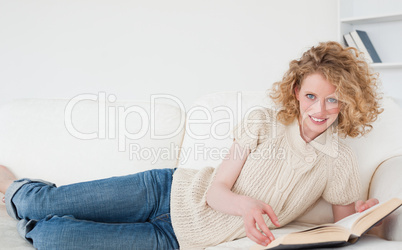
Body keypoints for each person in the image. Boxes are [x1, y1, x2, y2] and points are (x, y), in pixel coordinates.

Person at [0, 41, 383, 249]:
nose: (320, 109)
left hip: (177, 239)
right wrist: (247, 206)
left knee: (51, 237)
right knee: (40, 203)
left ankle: (23, 214)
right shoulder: (263, 122)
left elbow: (343, 226)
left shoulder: (339, 160)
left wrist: (366, 220)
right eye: (313, 96)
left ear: (347, 102)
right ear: (298, 91)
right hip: (165, 191)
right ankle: (11, 187)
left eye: (333, 100)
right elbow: (217, 191)